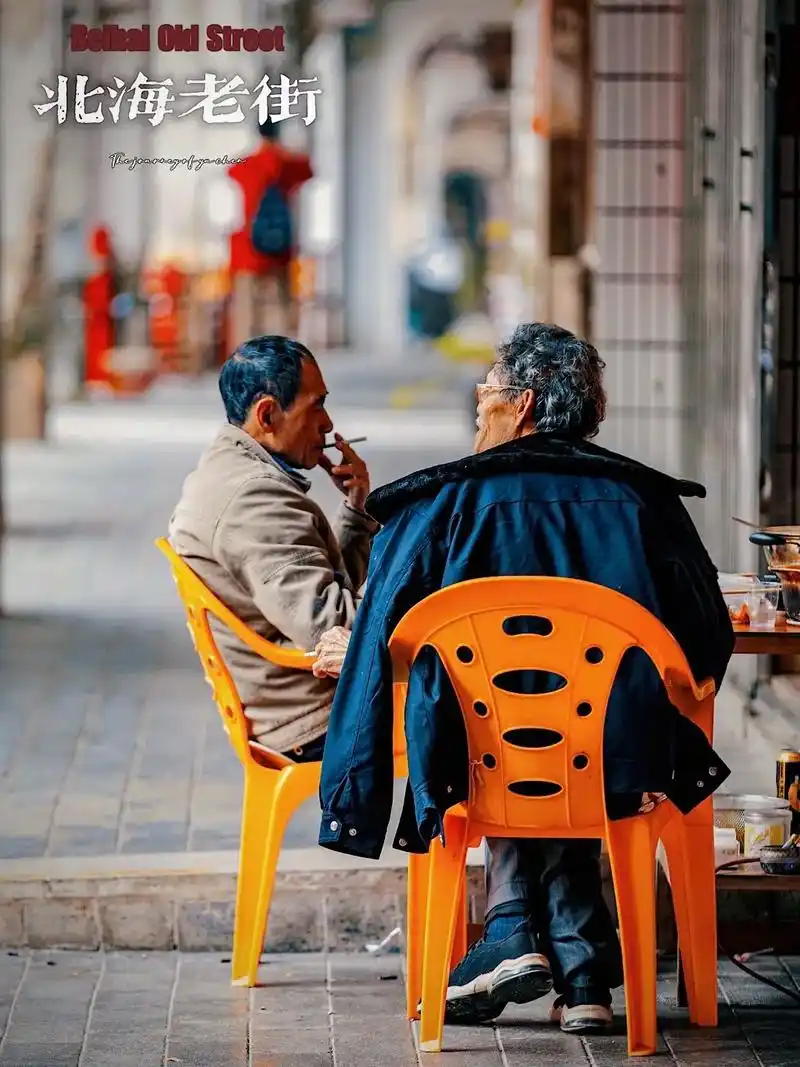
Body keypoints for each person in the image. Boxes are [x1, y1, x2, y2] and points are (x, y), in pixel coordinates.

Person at [314, 323, 734, 1034]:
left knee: (500, 719)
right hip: (616, 763)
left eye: (490, 390)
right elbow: (707, 641)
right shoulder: (645, 503)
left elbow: (380, 641)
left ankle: (514, 926)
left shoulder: (439, 507)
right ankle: (584, 972)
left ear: (525, 402)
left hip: (471, 762)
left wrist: (353, 800)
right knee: (568, 720)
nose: (479, 403)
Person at [169, 335, 376, 760]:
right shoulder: (252, 499)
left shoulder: (232, 470)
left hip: (304, 696)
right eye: (315, 405)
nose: (327, 423)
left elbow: (324, 592)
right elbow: (333, 630)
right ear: (267, 413)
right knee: (464, 704)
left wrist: (357, 508)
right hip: (312, 714)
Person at [227, 120, 313, 341]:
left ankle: (245, 362)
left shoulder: (246, 164)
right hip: (280, 249)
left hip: (249, 249)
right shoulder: (288, 163)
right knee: (282, 308)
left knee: (246, 311)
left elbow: (231, 172)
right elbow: (309, 170)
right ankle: (282, 360)